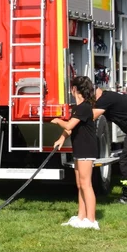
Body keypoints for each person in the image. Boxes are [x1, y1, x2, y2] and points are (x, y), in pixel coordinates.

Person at [51, 76, 99, 229]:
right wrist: (61, 139)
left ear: (75, 89)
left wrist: (57, 120)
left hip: (86, 148)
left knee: (86, 184)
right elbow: (70, 129)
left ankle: (91, 220)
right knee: (79, 184)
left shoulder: (84, 107)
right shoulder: (78, 107)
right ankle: (81, 217)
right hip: (79, 148)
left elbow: (69, 124)